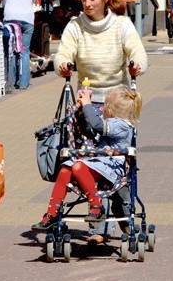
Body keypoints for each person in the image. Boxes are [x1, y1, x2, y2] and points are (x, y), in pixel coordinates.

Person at [54, 0, 148, 243]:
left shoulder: (121, 25)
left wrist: (137, 64)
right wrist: (62, 63)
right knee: (90, 161)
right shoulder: (76, 26)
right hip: (87, 103)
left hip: (116, 103)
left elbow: (137, 51)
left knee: (118, 162)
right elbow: (63, 52)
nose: (87, 3)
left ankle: (123, 216)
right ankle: (97, 227)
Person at [31, 87, 142, 231]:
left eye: (104, 106)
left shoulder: (122, 125)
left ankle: (97, 206)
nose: (101, 108)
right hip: (98, 163)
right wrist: (81, 110)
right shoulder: (109, 121)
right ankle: (52, 214)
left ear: (110, 110)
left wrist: (88, 104)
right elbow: (89, 128)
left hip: (112, 167)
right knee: (65, 169)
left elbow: (97, 125)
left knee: (78, 167)